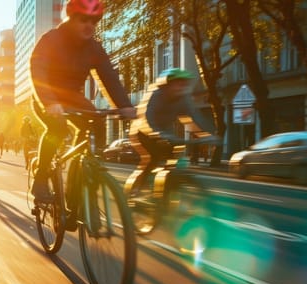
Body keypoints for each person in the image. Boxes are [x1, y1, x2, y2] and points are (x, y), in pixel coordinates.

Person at [29, 0, 136, 201]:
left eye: (94, 21)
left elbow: (109, 78)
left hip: (73, 97)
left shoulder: (94, 48)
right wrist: (49, 102)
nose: (89, 25)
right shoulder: (51, 39)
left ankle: (82, 170)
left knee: (96, 119)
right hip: (46, 95)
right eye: (83, 19)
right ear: (70, 18)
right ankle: (41, 178)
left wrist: (125, 107)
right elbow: (38, 71)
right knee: (57, 130)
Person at [128, 68, 218, 196]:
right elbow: (148, 118)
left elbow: (194, 118)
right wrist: (157, 133)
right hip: (142, 132)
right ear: (167, 85)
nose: (182, 87)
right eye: (178, 83)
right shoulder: (156, 95)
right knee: (152, 159)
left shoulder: (183, 98)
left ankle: (165, 192)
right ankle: (137, 188)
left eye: (184, 84)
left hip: (165, 132)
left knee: (174, 161)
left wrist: (207, 135)